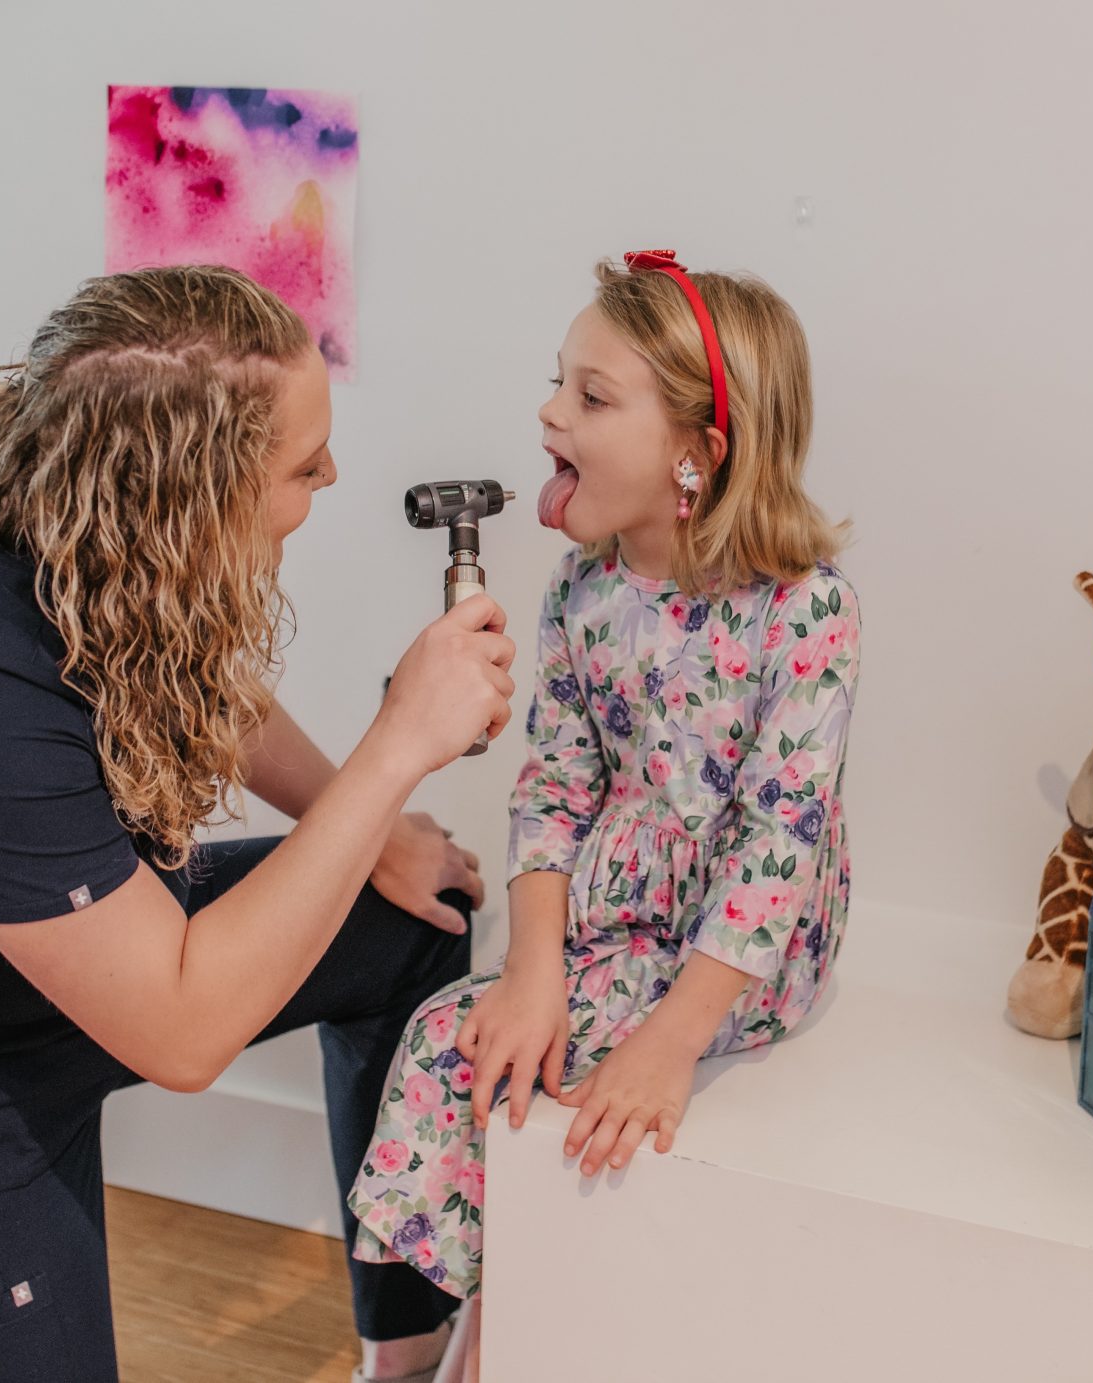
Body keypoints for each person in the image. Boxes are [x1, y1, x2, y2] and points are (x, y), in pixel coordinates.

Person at [0, 267, 515, 1383]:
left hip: (88, 948)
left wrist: (370, 828)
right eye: (303, 466)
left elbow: (170, 650)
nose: (333, 475)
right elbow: (181, 1034)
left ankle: (400, 1352)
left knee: (415, 914)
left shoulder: (87, 518)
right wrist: (397, 749)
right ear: (188, 490)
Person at [347, 252, 861, 1382]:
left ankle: (493, 1343)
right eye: (556, 384)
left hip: (739, 948)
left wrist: (670, 1043)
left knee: (547, 1078)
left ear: (696, 450)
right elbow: (555, 784)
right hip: (609, 916)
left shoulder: (805, 609)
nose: (547, 411)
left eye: (589, 395)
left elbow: (779, 843)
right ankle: (404, 1351)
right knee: (453, 1037)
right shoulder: (582, 585)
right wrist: (531, 967)